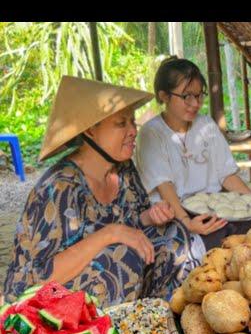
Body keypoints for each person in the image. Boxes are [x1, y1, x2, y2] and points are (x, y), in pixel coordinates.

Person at [3, 76, 201, 306]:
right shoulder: (59, 187)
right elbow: (41, 277)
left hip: (110, 286)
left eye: (132, 122)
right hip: (43, 301)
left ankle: (155, 317)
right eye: (121, 124)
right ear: (90, 131)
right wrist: (111, 233)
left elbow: (134, 223)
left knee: (174, 235)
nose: (133, 131)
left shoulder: (123, 169)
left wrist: (151, 216)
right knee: (119, 258)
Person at [134, 57, 251, 250]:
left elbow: (226, 175)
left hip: (214, 207)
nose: (195, 103)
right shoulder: (151, 133)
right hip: (174, 214)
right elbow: (165, 187)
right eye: (186, 96)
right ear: (164, 96)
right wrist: (187, 223)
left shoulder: (206, 125)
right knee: (217, 249)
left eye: (199, 95)